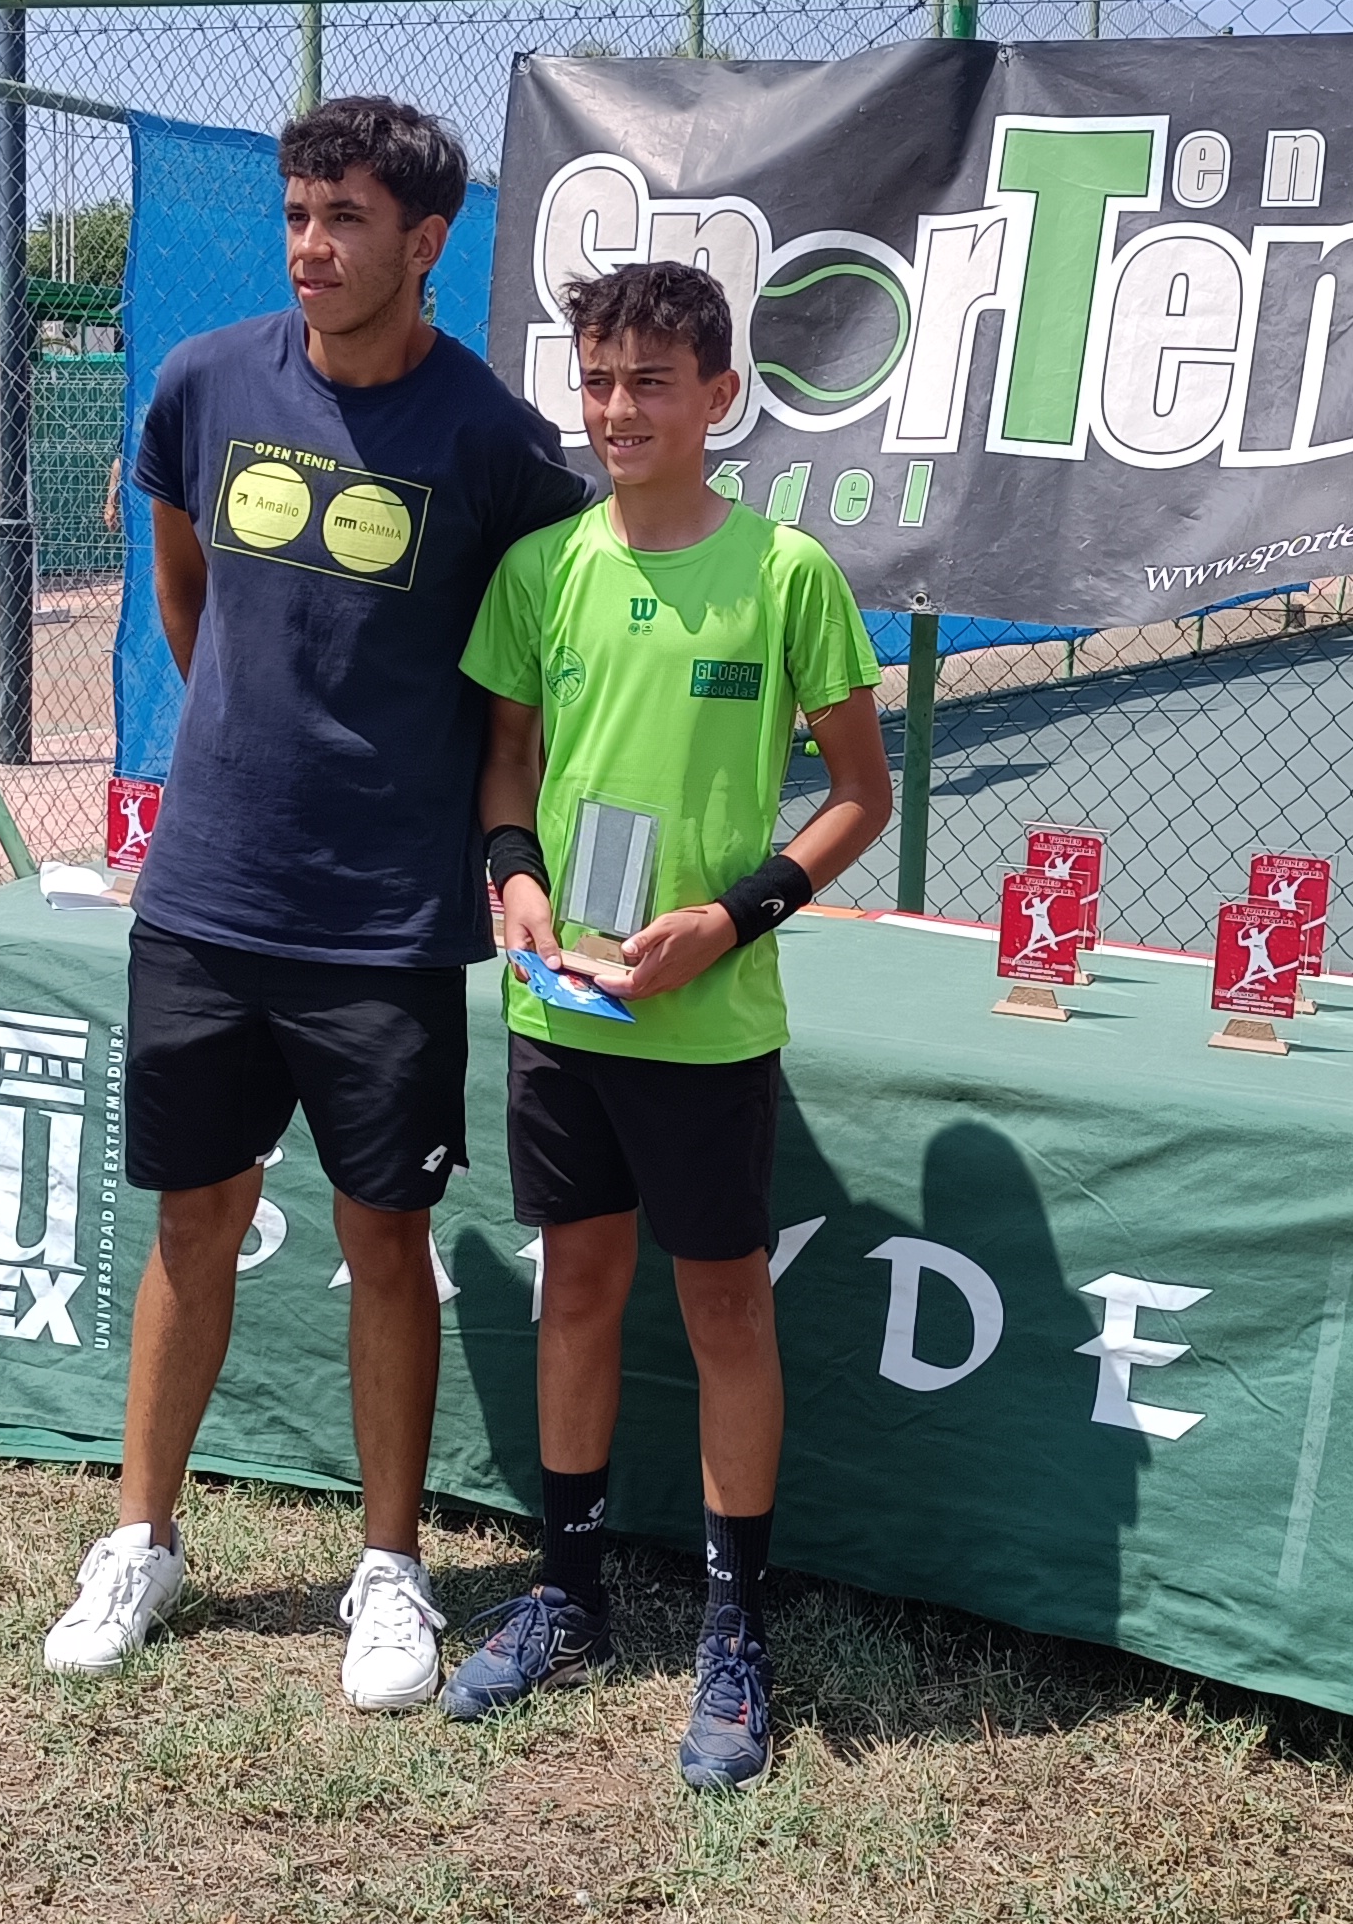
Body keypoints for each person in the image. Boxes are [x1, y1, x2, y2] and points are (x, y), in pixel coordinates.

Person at [41, 97, 589, 1711]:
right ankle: (140, 1540)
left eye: (345, 218)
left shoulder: (496, 443)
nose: (310, 245)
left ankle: (392, 1569)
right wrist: (250, 757)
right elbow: (183, 589)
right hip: (207, 900)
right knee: (191, 1224)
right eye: (298, 214)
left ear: (427, 243)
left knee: (384, 1236)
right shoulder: (206, 381)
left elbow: (531, 673)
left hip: (389, 924)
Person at [444, 259, 891, 1790]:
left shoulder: (788, 574)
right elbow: (507, 759)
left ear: (720, 395)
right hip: (562, 1010)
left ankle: (733, 1633)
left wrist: (730, 920)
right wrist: (515, 880)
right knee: (576, 1290)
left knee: (726, 1316)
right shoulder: (543, 569)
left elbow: (860, 797)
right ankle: (568, 1596)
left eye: (650, 381)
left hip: (709, 1026)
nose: (619, 408)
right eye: (597, 380)